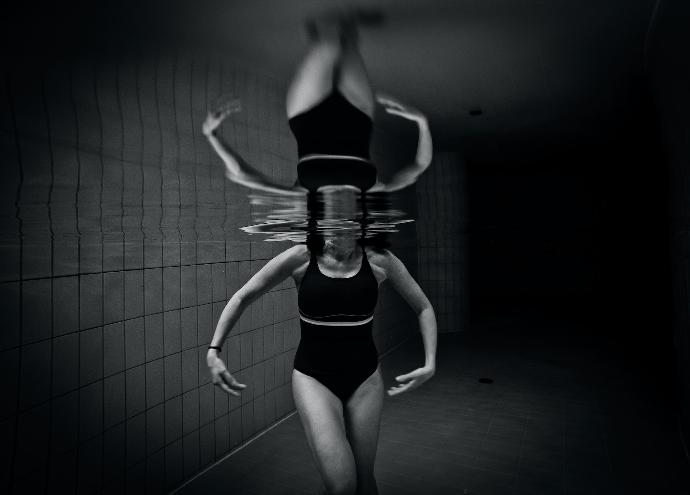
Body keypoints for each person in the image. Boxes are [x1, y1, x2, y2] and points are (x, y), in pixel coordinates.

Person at [206, 193, 437, 495]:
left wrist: (430, 361)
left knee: (365, 483)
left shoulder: (380, 260)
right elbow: (242, 296)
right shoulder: (301, 257)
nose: (336, 229)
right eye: (328, 220)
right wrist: (214, 349)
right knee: (342, 484)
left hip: (365, 378)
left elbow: (423, 307)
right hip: (314, 378)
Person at [201, 11, 432, 196]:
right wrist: (422, 122)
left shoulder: (304, 195)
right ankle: (346, 33)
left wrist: (211, 135)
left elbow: (242, 174)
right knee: (347, 42)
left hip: (307, 114)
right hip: (358, 113)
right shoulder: (372, 190)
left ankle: (320, 39)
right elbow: (419, 166)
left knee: (329, 45)